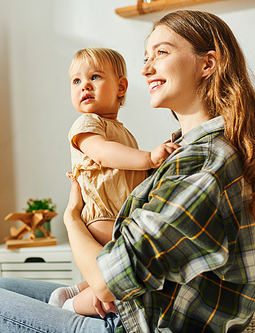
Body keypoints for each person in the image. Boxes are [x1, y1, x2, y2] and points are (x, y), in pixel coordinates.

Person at [0, 10, 255, 333]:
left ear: (208, 63)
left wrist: (72, 220)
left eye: (161, 53)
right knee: (0, 286)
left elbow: (105, 282)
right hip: (140, 304)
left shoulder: (204, 162)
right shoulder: (181, 150)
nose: (146, 68)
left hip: (141, 324)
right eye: (146, 58)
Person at [48, 47, 179, 316]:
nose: (84, 85)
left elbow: (135, 178)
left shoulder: (123, 132)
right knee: (122, 277)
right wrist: (150, 158)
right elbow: (102, 152)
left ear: (121, 87)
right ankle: (69, 308)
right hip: (103, 217)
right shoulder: (86, 124)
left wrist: (158, 167)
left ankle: (71, 294)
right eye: (76, 81)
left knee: (118, 280)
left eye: (94, 77)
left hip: (120, 217)